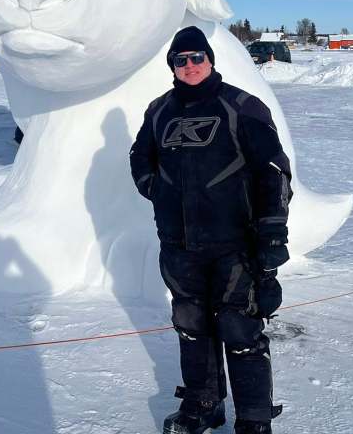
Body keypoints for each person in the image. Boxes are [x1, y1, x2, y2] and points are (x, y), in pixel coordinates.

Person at [130, 26, 292, 434]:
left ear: (210, 59)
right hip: (179, 244)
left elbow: (273, 172)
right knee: (191, 325)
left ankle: (254, 419)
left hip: (234, 243)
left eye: (196, 57)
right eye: (180, 60)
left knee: (240, 328)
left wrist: (272, 234)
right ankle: (203, 404)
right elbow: (139, 156)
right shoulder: (160, 110)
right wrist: (157, 191)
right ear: (172, 66)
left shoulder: (241, 105)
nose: (189, 66)